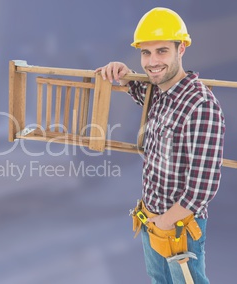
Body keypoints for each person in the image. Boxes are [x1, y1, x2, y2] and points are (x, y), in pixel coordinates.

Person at [95, 7, 225, 283]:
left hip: (179, 227)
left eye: (162, 51)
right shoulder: (162, 94)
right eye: (145, 52)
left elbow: (205, 183)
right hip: (151, 220)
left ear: (182, 49)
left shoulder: (200, 105)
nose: (152, 61)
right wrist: (122, 71)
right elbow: (142, 90)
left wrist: (168, 221)